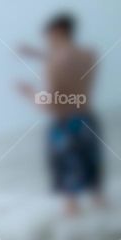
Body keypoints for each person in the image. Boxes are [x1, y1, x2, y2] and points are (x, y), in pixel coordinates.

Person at [17, 12, 105, 215]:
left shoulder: (53, 64)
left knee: (70, 196)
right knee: (96, 189)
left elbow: (51, 103)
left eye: (48, 37)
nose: (47, 42)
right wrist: (39, 54)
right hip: (87, 121)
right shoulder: (88, 55)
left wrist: (29, 93)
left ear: (57, 32)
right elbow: (66, 60)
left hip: (65, 127)